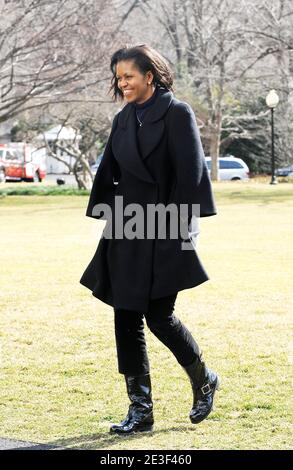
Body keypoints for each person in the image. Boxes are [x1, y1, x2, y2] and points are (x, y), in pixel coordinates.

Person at [80, 44, 220, 435]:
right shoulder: (124, 119)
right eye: (118, 77)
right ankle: (140, 410)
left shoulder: (177, 113)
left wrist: (181, 232)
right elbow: (109, 168)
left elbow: (191, 175)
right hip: (127, 226)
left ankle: (204, 378)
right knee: (125, 316)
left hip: (166, 226)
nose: (122, 82)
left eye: (128, 76)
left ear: (150, 77)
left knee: (158, 315)